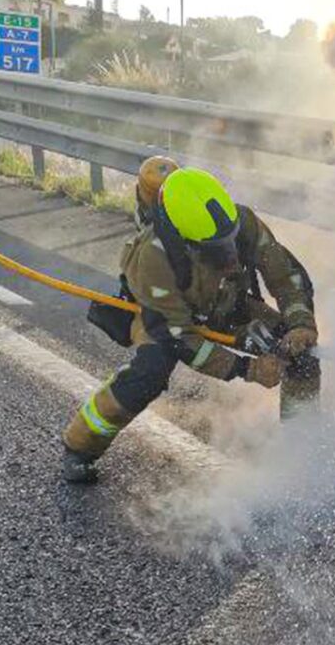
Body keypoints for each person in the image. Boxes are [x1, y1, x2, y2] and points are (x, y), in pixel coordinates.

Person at [60, 166, 319, 482]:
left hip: (228, 305)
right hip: (165, 317)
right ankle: (80, 447)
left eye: (231, 243)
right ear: (182, 241)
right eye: (217, 251)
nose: (231, 258)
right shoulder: (151, 258)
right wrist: (248, 369)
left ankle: (302, 454)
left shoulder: (243, 223)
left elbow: (286, 276)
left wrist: (301, 324)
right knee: (149, 373)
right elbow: (179, 338)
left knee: (302, 356)